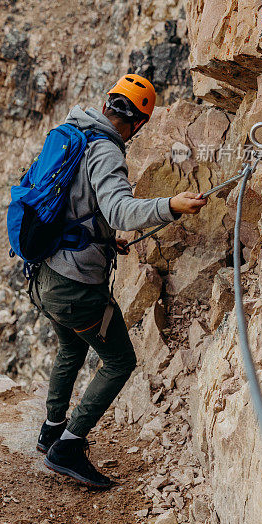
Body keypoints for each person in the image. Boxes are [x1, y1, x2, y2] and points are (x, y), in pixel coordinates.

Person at [36, 73, 207, 488]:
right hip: (75, 285)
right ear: (139, 123)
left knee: (71, 346)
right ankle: (68, 447)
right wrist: (171, 205)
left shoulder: (72, 131)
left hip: (46, 273)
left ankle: (50, 430)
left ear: (108, 103)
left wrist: (104, 240)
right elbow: (120, 211)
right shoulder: (107, 150)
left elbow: (76, 204)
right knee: (119, 361)